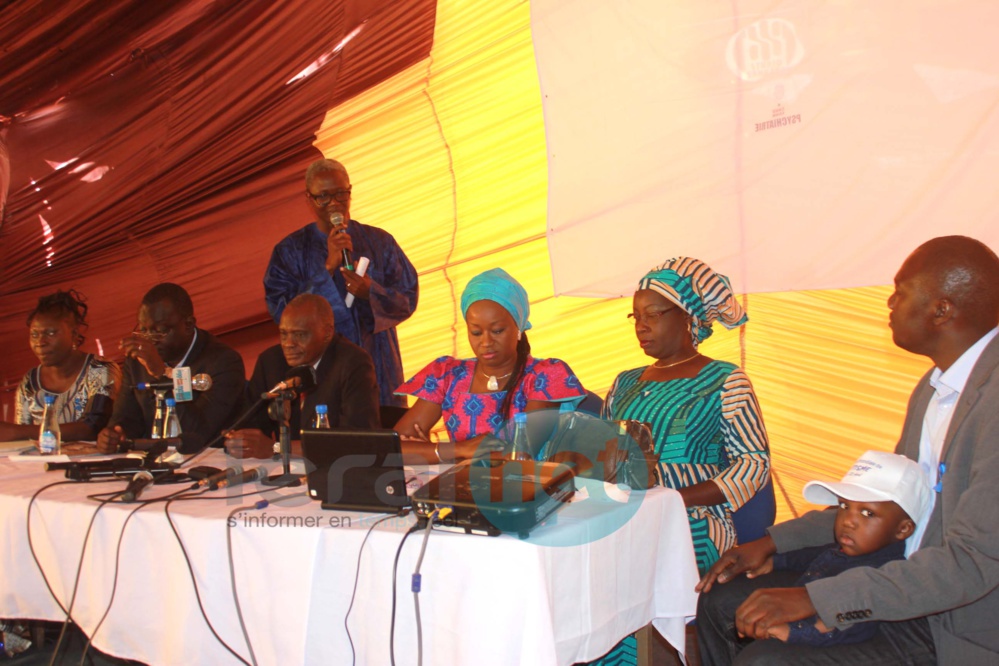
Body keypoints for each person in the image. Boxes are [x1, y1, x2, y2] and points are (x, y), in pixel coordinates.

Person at [696, 235, 999, 665]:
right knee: (722, 603)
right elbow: (884, 504)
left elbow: (972, 563)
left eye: (901, 291)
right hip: (899, 574)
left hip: (953, 622)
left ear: (942, 310)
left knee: (765, 661)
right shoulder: (934, 389)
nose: (890, 303)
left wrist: (819, 598)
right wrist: (770, 543)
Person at [604, 257, 771, 574]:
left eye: (653, 315)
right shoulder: (624, 382)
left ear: (686, 317)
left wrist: (674, 500)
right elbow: (603, 452)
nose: (641, 325)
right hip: (625, 518)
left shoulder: (724, 380)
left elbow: (753, 463)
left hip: (693, 523)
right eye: (635, 316)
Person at [263, 158, 418, 408]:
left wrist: (371, 293)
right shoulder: (289, 251)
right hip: (322, 369)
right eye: (323, 196)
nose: (334, 203)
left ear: (350, 192)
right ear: (309, 199)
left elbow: (408, 296)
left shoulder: (380, 241)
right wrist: (327, 268)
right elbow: (281, 311)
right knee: (329, 435)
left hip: (378, 363)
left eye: (340, 194)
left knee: (383, 438)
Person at [393, 268, 585, 463]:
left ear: (518, 328)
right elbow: (390, 450)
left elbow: (518, 455)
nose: (486, 342)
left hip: (528, 489)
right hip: (463, 488)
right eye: (476, 332)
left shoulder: (544, 376)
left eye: (497, 331)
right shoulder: (447, 374)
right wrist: (458, 449)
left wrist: (436, 451)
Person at [756, 450, 931, 647]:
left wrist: (794, 633)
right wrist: (775, 561)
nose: (848, 521)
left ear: (903, 529)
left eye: (867, 513)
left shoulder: (881, 576)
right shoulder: (851, 547)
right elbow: (815, 555)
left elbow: (854, 628)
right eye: (844, 506)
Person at [224, 293, 380, 458]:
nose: (288, 344)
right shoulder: (270, 361)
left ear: (327, 333)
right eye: (284, 334)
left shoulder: (353, 363)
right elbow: (251, 423)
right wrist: (239, 439)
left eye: (299, 335)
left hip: (336, 471)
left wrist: (279, 448)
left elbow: (358, 440)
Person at [96, 283, 245, 455]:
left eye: (159, 331)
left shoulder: (223, 362)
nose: (150, 341)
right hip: (153, 459)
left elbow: (197, 434)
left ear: (188, 325)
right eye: (143, 330)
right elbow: (125, 420)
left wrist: (161, 374)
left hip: (206, 462)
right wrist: (114, 436)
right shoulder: (137, 361)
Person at [0, 289, 120, 442]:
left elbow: (92, 428)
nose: (40, 342)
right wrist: (18, 433)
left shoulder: (100, 370)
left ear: (74, 334)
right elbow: (23, 442)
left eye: (50, 333)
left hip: (89, 464)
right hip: (42, 464)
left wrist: (15, 432)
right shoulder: (30, 381)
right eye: (34, 334)